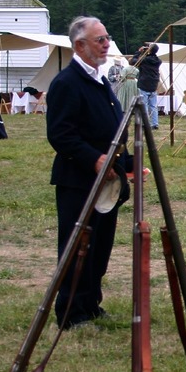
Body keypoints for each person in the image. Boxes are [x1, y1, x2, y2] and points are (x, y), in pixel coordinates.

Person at [47, 16, 131, 329]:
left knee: (99, 247)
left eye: (107, 38)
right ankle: (70, 312)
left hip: (106, 182)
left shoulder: (99, 79)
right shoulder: (67, 83)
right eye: (100, 39)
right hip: (78, 180)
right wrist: (94, 159)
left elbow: (108, 131)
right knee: (76, 247)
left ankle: (90, 304)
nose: (107, 44)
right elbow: (61, 134)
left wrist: (129, 164)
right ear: (80, 45)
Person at [135, 43, 162, 129]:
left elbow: (134, 62)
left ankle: (145, 123)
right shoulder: (158, 61)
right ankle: (155, 123)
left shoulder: (145, 60)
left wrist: (139, 52)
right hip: (153, 84)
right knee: (153, 106)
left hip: (144, 84)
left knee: (144, 105)